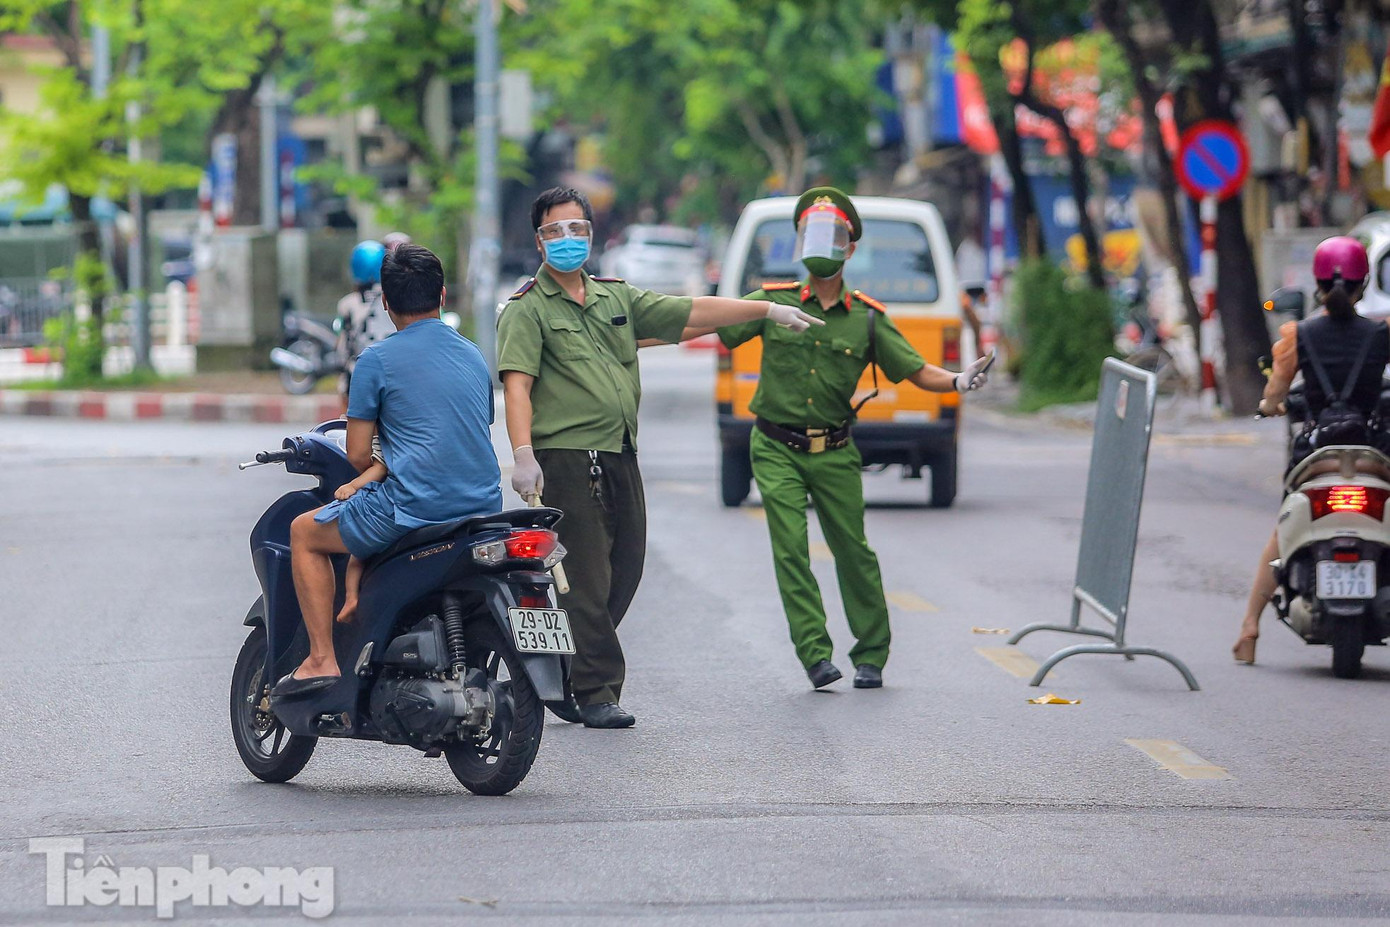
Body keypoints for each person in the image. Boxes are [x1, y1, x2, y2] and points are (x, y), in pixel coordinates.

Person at [497, 186, 823, 728]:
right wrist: (523, 454)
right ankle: (597, 691)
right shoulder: (527, 311)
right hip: (568, 459)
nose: (568, 239)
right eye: (556, 231)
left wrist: (766, 309)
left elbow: (692, 312)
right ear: (539, 240)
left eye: (577, 228)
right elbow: (517, 388)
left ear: (592, 235)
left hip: (620, 454)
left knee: (625, 569)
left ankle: (567, 668)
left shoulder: (616, 299)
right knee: (588, 578)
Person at [711, 187, 991, 690]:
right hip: (775, 447)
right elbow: (718, 323)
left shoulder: (865, 317)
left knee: (853, 551)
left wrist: (956, 381)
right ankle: (815, 654)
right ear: (798, 244)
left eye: (833, 235)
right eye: (811, 234)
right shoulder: (771, 302)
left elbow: (913, 370)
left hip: (836, 451)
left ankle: (872, 654)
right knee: (790, 549)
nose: (821, 243)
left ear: (851, 248)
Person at [274, 244, 502, 695]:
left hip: (416, 508)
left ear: (385, 301)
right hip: (483, 508)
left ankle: (321, 659)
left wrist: (379, 462)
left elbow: (358, 455)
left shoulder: (376, 360)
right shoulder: (474, 355)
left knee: (304, 532)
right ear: (442, 296)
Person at [1234, 235, 1389, 664]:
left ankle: (1249, 629)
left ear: (1318, 283)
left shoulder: (1297, 335)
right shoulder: (1380, 335)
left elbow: (1274, 394)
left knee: (1284, 532)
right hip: (1370, 454)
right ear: (1365, 281)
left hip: (1317, 452)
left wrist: (1271, 405)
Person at [336, 240, 393, 407]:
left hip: (360, 375)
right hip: (392, 372)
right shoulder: (395, 299)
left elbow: (344, 349)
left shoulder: (348, 304)